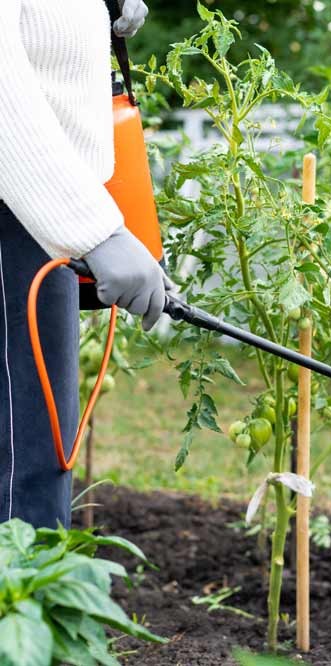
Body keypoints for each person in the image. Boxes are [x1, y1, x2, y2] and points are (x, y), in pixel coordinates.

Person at [0, 0, 166, 529]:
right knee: (25, 471)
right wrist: (92, 228)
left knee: (36, 458)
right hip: (17, 217)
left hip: (33, 214)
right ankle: (26, 610)